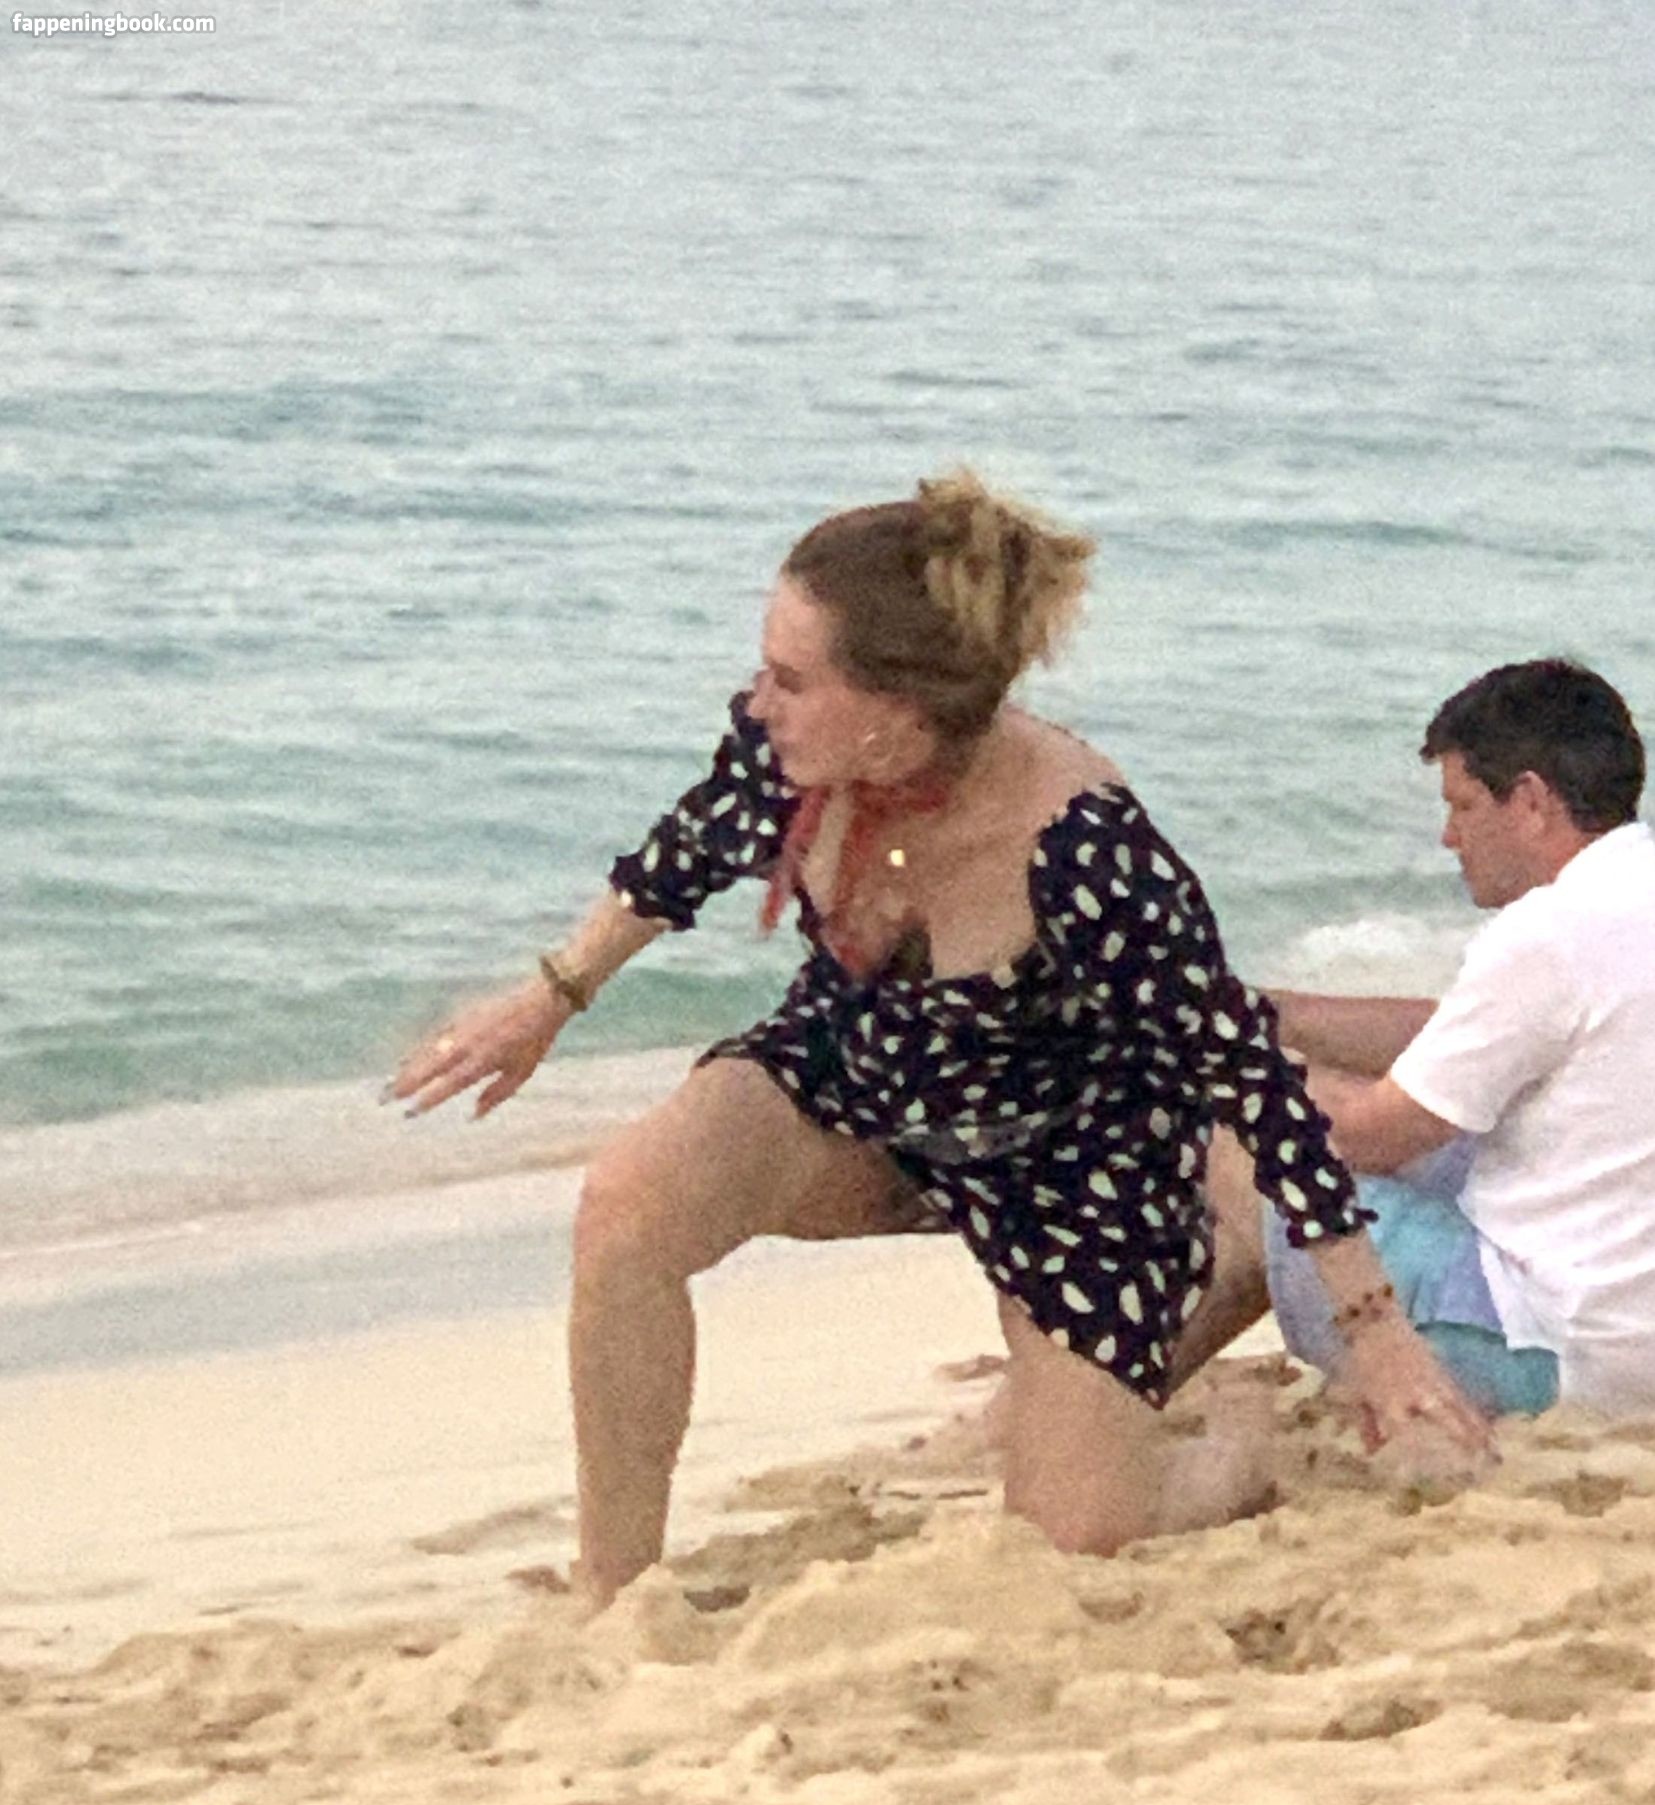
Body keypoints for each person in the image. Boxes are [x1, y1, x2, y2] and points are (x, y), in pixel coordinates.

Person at [390, 471, 1489, 1607]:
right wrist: (551, 997)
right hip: (855, 1085)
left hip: (1068, 1168)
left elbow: (1249, 1081)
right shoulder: (789, 753)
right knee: (627, 1204)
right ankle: (614, 1591)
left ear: (895, 710)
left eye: (791, 679)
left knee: (1077, 1537)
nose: (759, 701)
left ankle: (1226, 1451)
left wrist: (1373, 1329)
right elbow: (692, 846)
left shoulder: (1084, 849)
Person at [1263, 659, 1655, 1419]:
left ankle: (1116, 1386)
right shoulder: (1623, 897)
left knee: (1250, 1155)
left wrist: (1239, 1073)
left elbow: (1371, 1138)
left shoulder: (1550, 932)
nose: (1449, 837)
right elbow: (1461, 1038)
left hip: (1563, 1357)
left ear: (1531, 801)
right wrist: (1277, 1017)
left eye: (1463, 806)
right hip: (1633, 1331)